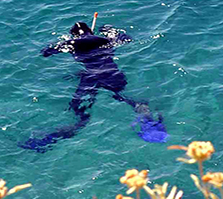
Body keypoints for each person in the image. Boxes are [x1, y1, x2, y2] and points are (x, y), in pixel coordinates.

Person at [20, 14, 167, 152]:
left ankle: (53, 138)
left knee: (81, 114)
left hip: (91, 78)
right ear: (90, 30)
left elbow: (46, 52)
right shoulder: (105, 41)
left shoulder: (71, 43)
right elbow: (125, 39)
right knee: (128, 100)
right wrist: (107, 30)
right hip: (113, 74)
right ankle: (150, 122)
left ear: (74, 35)